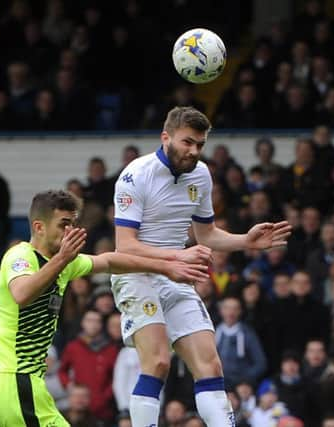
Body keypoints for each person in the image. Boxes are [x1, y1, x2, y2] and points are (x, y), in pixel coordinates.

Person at [112, 106, 291, 427]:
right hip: (136, 274)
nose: (193, 151)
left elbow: (205, 234)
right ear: (165, 137)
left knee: (210, 366)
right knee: (158, 362)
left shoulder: (201, 174)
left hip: (176, 274)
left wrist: (245, 242)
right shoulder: (135, 175)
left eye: (200, 144)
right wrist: (177, 256)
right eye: (187, 142)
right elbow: (125, 246)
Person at [0, 189, 209, 426]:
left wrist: (168, 265)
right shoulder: (21, 256)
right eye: (63, 224)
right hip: (13, 381)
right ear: (39, 227)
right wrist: (62, 259)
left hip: (14, 386)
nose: (70, 231)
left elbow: (109, 261)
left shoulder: (64, 263)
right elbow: (22, 293)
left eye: (73, 224)